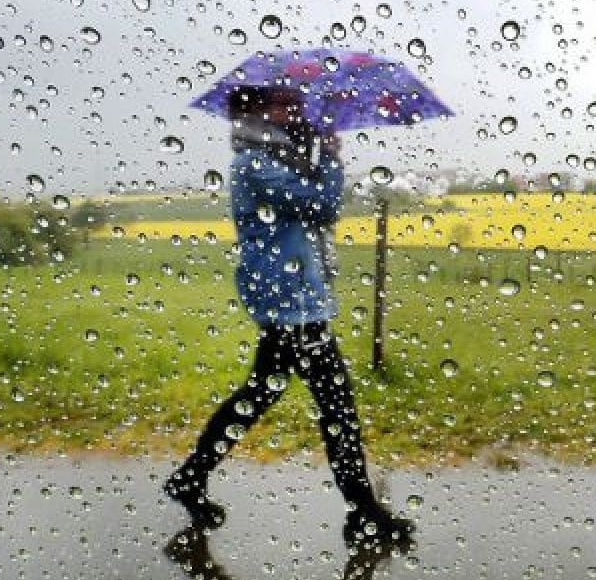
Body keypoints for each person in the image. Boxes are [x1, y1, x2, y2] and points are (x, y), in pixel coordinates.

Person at [164, 85, 413, 550]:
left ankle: (190, 478)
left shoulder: (275, 157)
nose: (298, 110)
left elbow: (310, 210)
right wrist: (333, 157)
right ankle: (364, 512)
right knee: (336, 406)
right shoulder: (255, 163)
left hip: (294, 295)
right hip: (288, 300)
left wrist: (317, 152)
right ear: (259, 111)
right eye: (286, 104)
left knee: (260, 392)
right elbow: (322, 206)